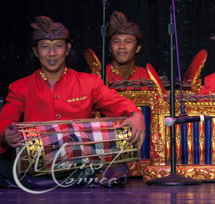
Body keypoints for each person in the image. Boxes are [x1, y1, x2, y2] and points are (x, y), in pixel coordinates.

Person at [0, 16, 145, 188]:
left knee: (118, 168)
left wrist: (136, 114)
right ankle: (69, 181)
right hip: (37, 164)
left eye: (58, 46)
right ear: (36, 51)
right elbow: (5, 120)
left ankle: (49, 183)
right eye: (45, 46)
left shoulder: (89, 82)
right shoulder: (20, 87)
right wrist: (4, 134)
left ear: (67, 49)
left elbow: (115, 102)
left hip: (79, 163)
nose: (52, 53)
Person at [105, 11, 150, 83]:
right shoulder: (99, 77)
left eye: (127, 41)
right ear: (110, 48)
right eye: (116, 41)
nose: (121, 46)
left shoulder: (149, 78)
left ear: (138, 48)